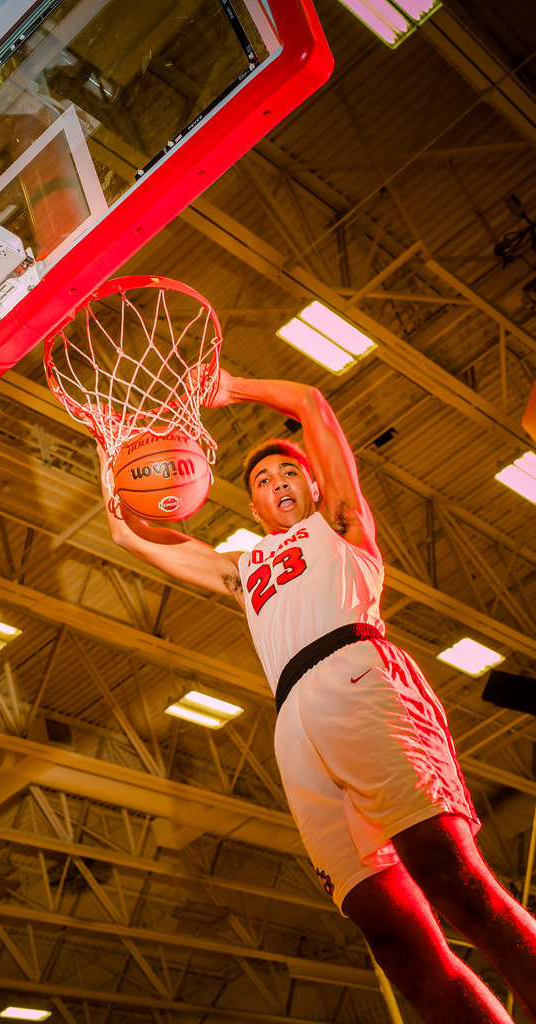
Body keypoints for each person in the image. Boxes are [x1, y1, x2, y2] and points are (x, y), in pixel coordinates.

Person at [98, 369, 536, 1024]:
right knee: (394, 942)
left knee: (454, 883)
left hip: (358, 675)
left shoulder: (339, 525)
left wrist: (234, 387)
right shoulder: (245, 565)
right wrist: (115, 466)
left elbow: (310, 404)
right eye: (262, 481)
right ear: (250, 508)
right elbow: (128, 535)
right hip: (293, 725)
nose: (276, 484)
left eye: (287, 475)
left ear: (313, 486)